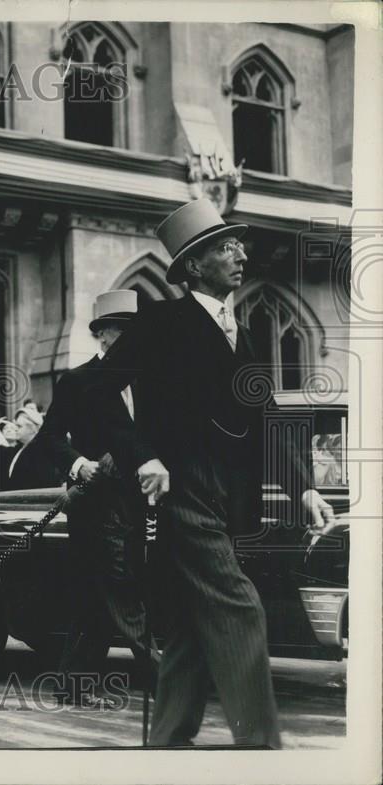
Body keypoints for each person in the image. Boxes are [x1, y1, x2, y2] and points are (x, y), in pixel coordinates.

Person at [94, 199, 336, 747]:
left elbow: (267, 414)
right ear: (195, 265)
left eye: (239, 244)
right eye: (226, 246)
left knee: (187, 629)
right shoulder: (159, 322)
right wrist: (144, 457)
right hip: (180, 489)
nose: (241, 253)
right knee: (239, 606)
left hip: (230, 497)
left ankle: (169, 742)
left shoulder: (243, 331)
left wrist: (305, 489)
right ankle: (259, 748)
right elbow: (96, 393)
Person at [29, 290, 158, 707]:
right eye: (124, 331)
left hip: (142, 504)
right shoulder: (79, 381)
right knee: (120, 588)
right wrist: (78, 463)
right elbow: (48, 438)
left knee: (97, 595)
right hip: (96, 503)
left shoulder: (149, 382)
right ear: (102, 335)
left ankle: (72, 684)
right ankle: (161, 678)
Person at [1, 408, 53, 491]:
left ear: (33, 429)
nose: (15, 429)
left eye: (19, 426)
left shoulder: (41, 452)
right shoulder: (17, 449)